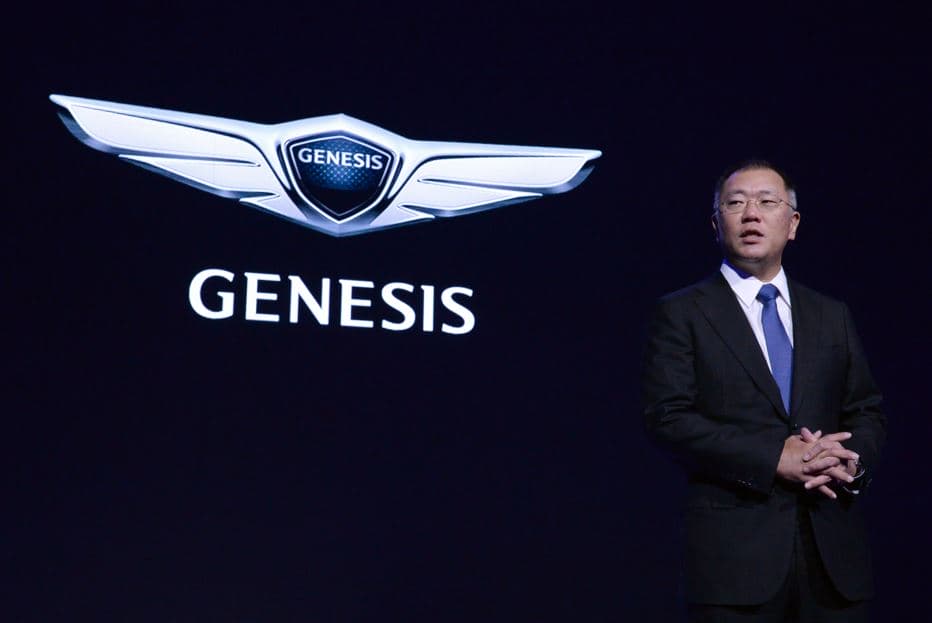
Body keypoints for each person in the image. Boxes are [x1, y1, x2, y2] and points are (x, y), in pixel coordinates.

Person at [642, 160, 886, 621]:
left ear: (792, 224)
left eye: (767, 202)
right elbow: (668, 418)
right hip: (734, 564)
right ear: (716, 224)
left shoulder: (831, 314)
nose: (751, 213)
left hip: (834, 558)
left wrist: (851, 462)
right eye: (736, 203)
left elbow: (866, 410)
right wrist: (775, 457)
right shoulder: (682, 312)